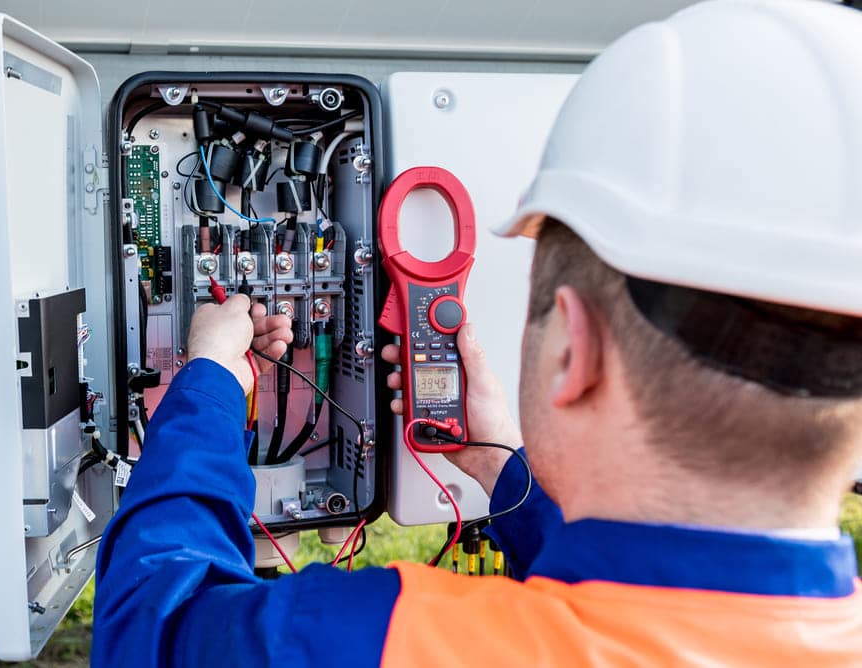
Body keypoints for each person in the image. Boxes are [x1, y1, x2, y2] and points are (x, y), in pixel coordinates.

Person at [92, 0, 862, 664]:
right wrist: (495, 463)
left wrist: (213, 380)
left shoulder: (386, 642)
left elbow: (152, 626)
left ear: (574, 351)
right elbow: (651, 590)